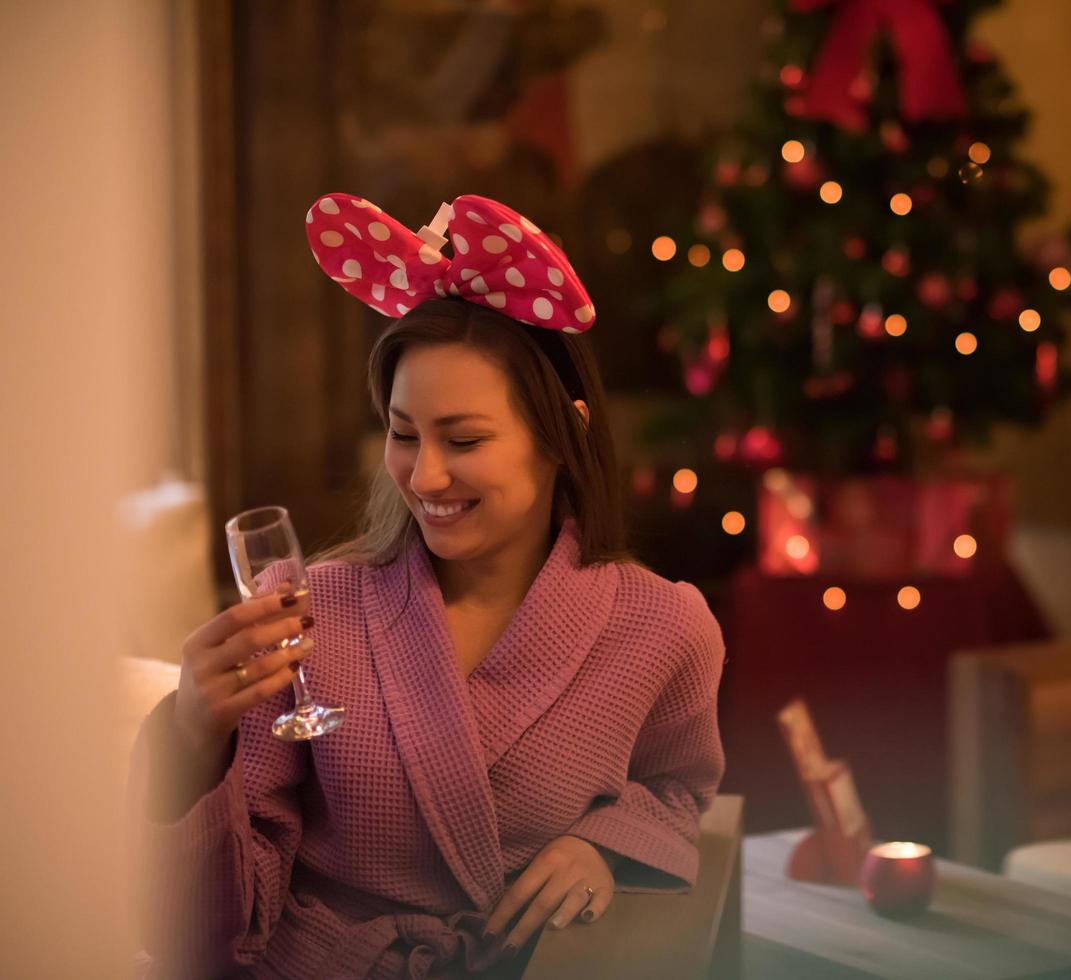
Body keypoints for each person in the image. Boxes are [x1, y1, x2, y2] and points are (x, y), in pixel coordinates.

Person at [129, 194, 726, 978]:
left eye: (465, 439)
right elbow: (207, 929)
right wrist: (190, 743)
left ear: (562, 436)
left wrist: (604, 847)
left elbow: (676, 790)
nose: (427, 474)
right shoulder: (307, 611)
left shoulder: (662, 626)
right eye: (403, 434)